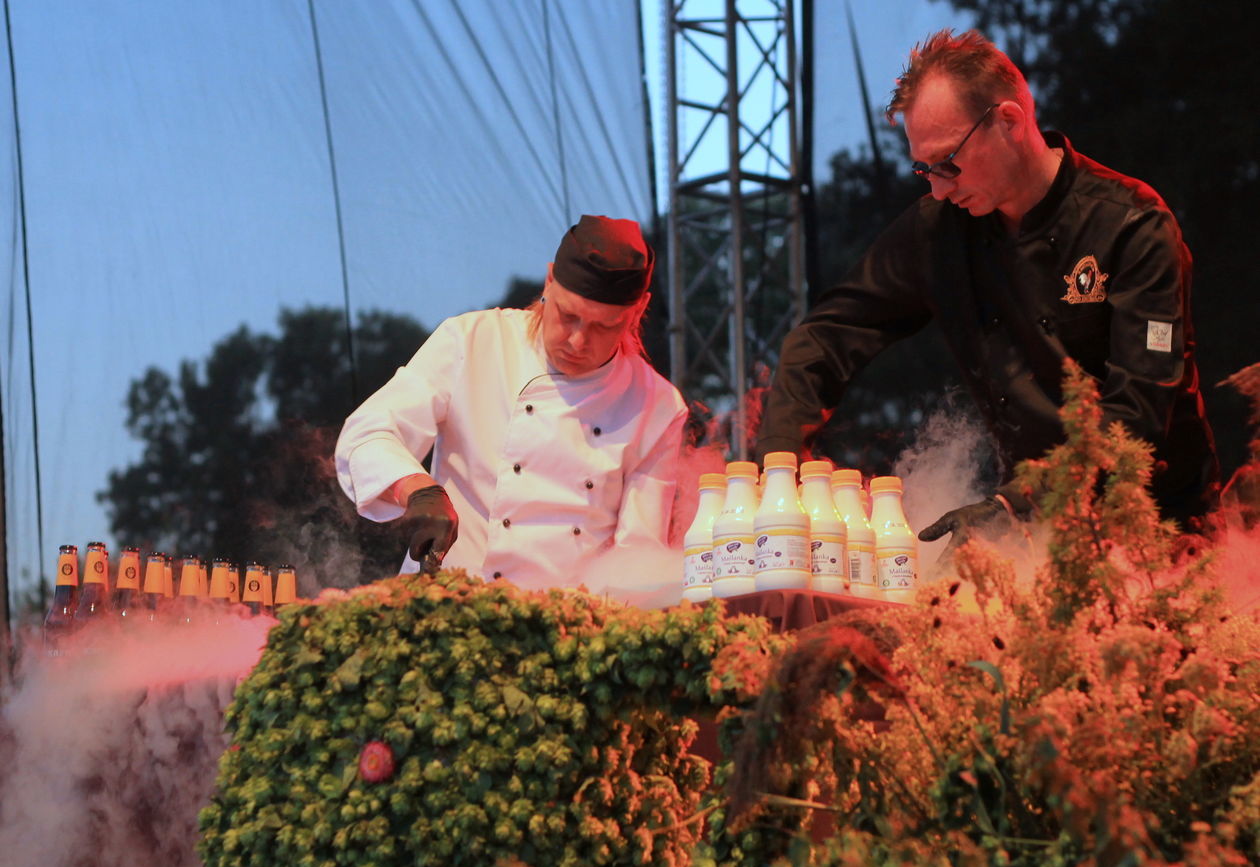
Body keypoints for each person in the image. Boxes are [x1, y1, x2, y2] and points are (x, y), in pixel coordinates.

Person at [755, 29, 1218, 544]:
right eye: (923, 169)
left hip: (1158, 528)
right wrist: (777, 466)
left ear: (1009, 121)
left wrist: (1011, 505)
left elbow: (1138, 414)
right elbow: (824, 337)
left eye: (948, 162)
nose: (937, 187)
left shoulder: (1132, 225)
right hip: (1031, 524)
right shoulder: (939, 227)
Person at [336, 215, 687, 591]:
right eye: (567, 316)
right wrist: (418, 490)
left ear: (639, 310)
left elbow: (636, 559)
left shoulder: (657, 406)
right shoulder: (473, 341)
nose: (578, 341)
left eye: (605, 326)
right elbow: (367, 433)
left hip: (567, 628)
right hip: (449, 604)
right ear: (549, 280)